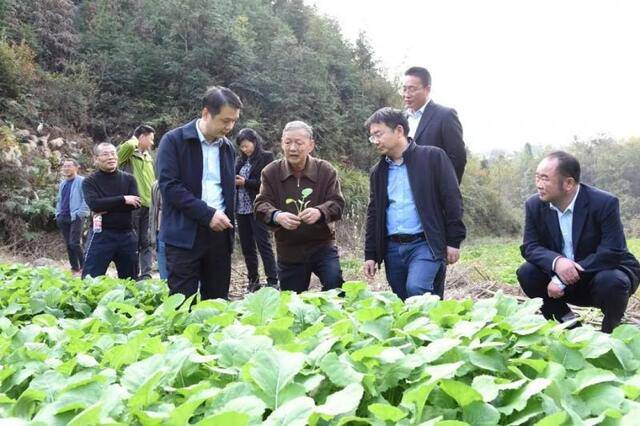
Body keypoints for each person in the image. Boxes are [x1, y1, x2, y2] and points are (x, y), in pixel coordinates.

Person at [517, 151, 640, 333]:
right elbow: (530, 246)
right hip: (564, 279)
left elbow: (612, 251)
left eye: (545, 179)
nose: (539, 185)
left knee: (612, 281)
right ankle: (570, 326)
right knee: (527, 272)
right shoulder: (534, 205)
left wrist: (563, 277)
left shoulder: (604, 203)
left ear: (568, 183)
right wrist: (557, 262)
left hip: (601, 274)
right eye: (537, 178)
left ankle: (611, 333)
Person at [363, 108, 465, 300]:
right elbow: (374, 213)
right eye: (372, 137)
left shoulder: (433, 157)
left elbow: (452, 199)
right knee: (402, 302)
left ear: (399, 130)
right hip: (393, 248)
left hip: (425, 243)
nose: (375, 141)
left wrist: (454, 240)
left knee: (417, 290)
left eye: (379, 134)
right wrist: (370, 254)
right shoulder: (378, 171)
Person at [157, 86, 241, 300]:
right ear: (206, 113)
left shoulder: (227, 148)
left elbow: (228, 191)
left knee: (216, 300)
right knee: (182, 301)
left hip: (219, 235)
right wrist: (207, 214)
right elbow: (170, 186)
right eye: (225, 120)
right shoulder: (174, 141)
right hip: (184, 234)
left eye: (234, 121)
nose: (229, 127)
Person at [255, 120, 345, 293]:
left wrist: (320, 211)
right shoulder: (270, 172)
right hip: (289, 249)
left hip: (322, 244)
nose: (293, 148)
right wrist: (277, 216)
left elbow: (337, 203)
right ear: (281, 143)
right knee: (291, 300)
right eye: (288, 142)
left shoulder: (325, 170)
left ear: (310, 145)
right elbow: (260, 204)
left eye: (299, 143)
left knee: (335, 286)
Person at [82, 142, 141, 279]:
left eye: (113, 153)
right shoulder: (89, 181)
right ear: (96, 159)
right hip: (101, 235)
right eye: (105, 154)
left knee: (130, 280)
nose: (111, 157)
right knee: (91, 279)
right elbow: (95, 205)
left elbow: (136, 204)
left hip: (126, 235)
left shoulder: (129, 179)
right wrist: (123, 199)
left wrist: (106, 204)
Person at [402, 66, 467, 182]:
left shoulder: (445, 115)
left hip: (432, 193)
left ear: (427, 89)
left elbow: (458, 159)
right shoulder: (401, 118)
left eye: (412, 89)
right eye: (404, 89)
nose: (406, 94)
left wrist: (445, 191)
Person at [234, 128, 278, 291]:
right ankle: (253, 280)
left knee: (263, 243)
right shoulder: (240, 161)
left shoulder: (266, 157)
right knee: (247, 247)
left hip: (258, 207)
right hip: (241, 208)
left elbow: (268, 184)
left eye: (246, 145)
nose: (244, 149)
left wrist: (245, 182)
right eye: (242, 147)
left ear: (254, 141)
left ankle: (273, 279)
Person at [117, 124, 155, 279]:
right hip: (134, 204)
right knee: (133, 239)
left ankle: (146, 274)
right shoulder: (128, 154)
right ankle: (133, 273)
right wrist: (135, 139)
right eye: (151, 139)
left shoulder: (148, 157)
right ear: (141, 137)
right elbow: (126, 146)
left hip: (149, 204)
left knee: (146, 240)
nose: (153, 143)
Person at [55, 158, 89, 275]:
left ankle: (84, 267)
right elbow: (59, 200)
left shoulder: (82, 181)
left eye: (69, 166)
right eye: (64, 166)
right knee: (69, 244)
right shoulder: (62, 184)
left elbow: (87, 199)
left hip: (76, 216)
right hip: (63, 216)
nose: (66, 168)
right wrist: (57, 213)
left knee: (74, 243)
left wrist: (81, 213)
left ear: (76, 167)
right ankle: (74, 268)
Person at [149, 181, 167, 280]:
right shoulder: (157, 185)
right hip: (161, 236)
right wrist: (152, 239)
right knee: (165, 281)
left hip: (184, 239)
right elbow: (152, 214)